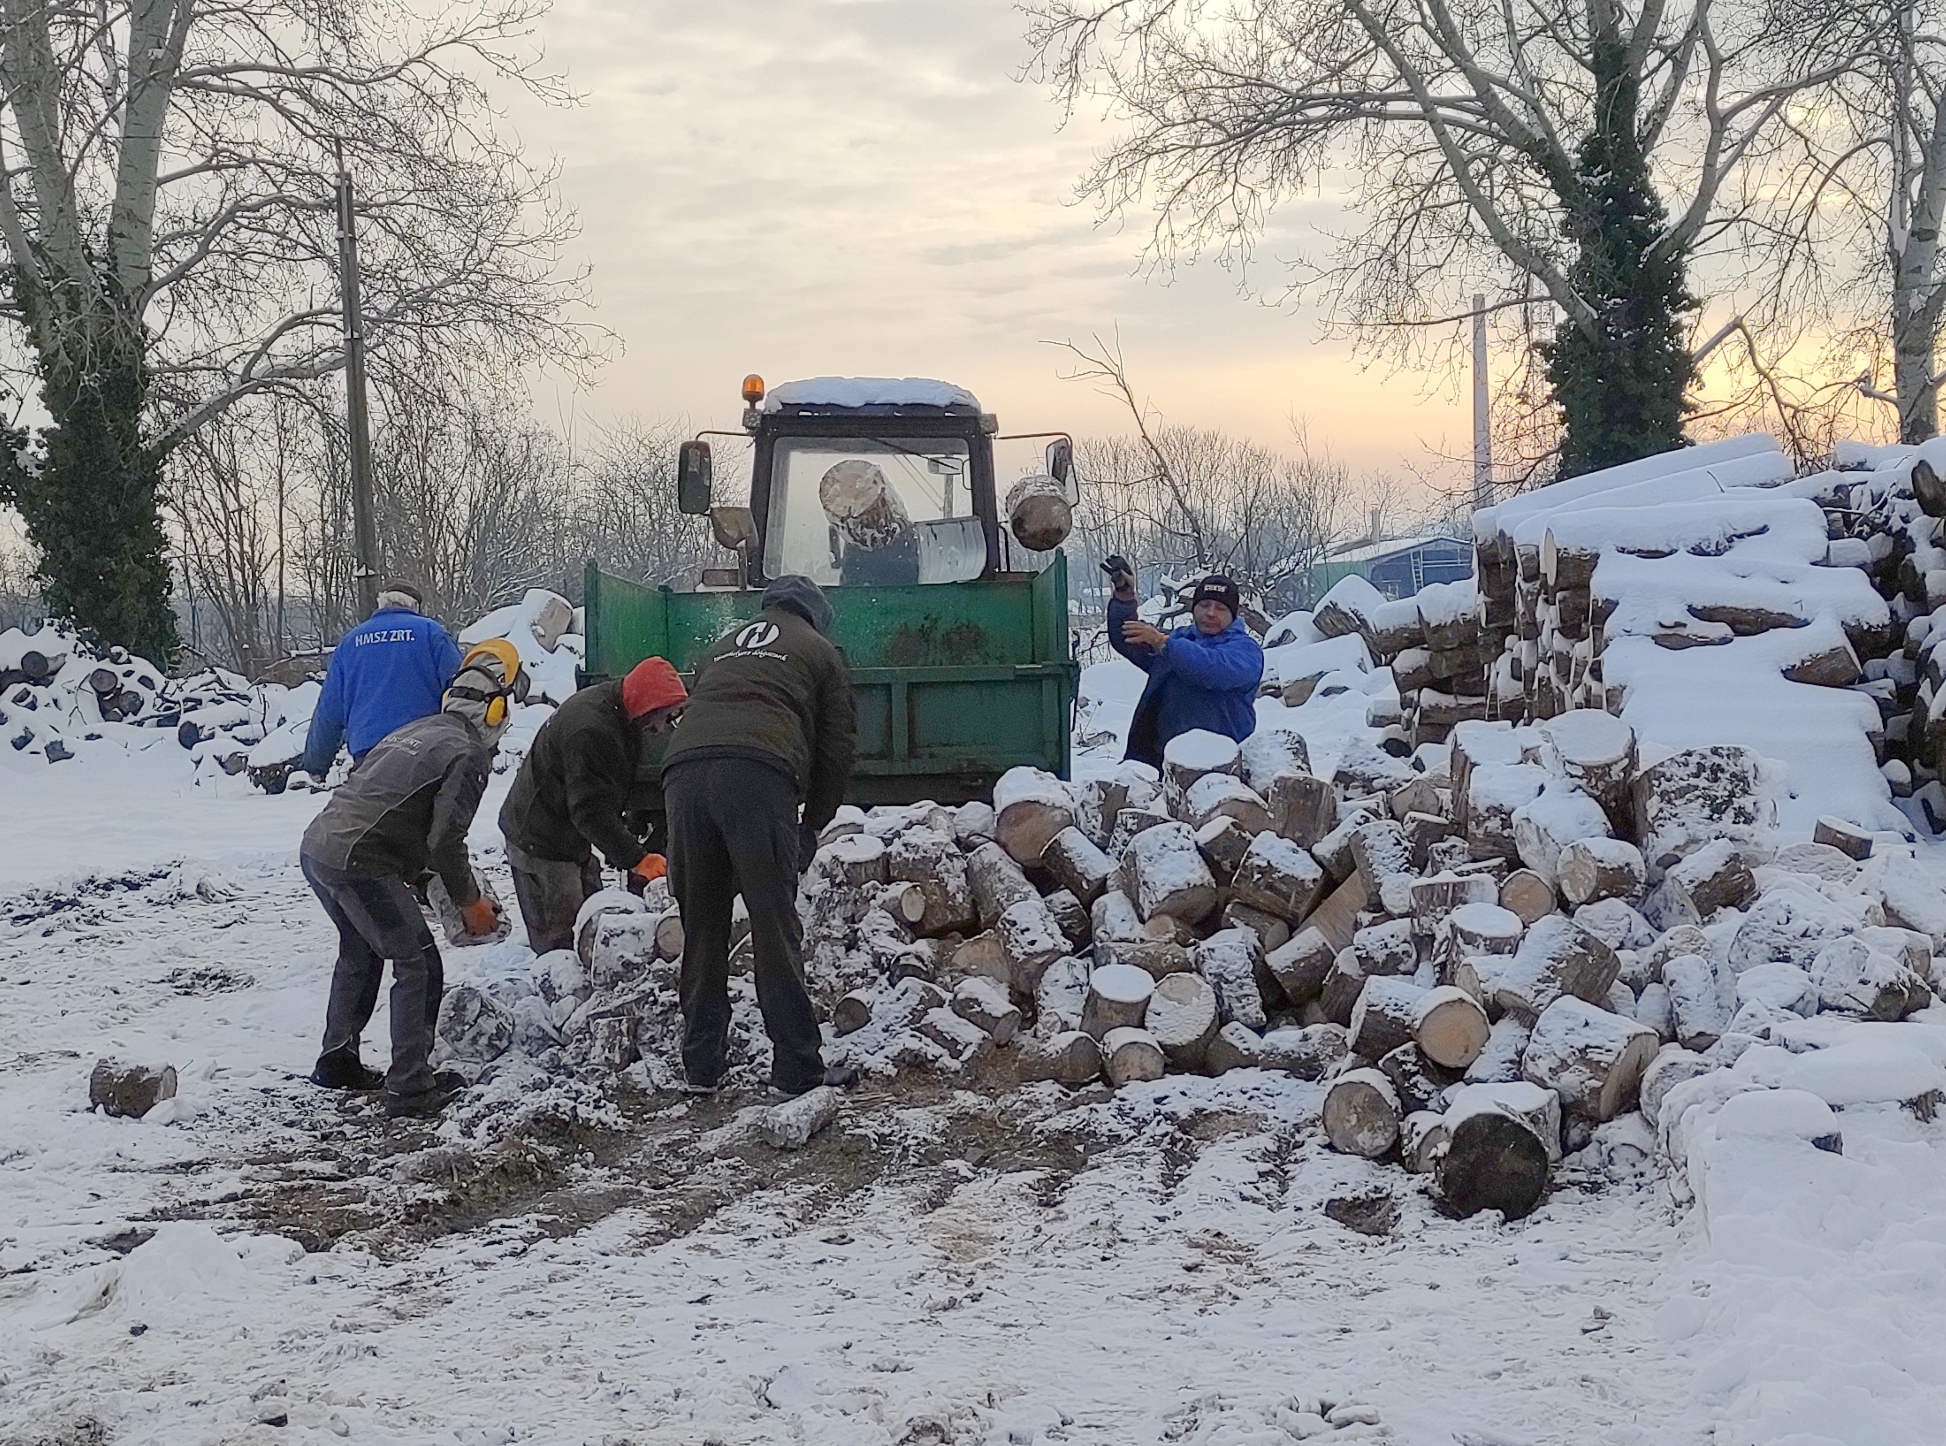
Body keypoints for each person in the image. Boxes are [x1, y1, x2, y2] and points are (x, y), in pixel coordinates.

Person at [299, 644, 524, 1117]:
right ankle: (410, 1086)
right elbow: (445, 842)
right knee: (418, 962)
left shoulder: (419, 729)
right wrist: (469, 901)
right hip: (359, 858)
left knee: (360, 952)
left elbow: (401, 814)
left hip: (321, 845)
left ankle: (337, 1060)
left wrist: (423, 880)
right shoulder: (467, 754)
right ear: (495, 714)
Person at [659, 575, 857, 1096]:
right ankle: (797, 1069)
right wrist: (812, 823)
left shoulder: (722, 646)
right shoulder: (820, 651)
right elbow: (836, 750)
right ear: (816, 615)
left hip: (682, 773)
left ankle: (702, 1066)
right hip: (757, 771)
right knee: (773, 923)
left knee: (701, 924)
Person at [498, 656, 689, 955]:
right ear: (647, 706)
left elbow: (606, 785)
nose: (663, 728)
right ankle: (561, 994)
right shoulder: (591, 730)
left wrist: (628, 830)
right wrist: (637, 858)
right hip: (540, 838)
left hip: (567, 830)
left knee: (596, 924)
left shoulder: (619, 711)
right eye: (664, 718)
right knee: (565, 942)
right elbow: (589, 811)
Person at [1105, 560, 1265, 770]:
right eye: (1204, 605)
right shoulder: (1178, 640)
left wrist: (1163, 643)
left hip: (1219, 768)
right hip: (1157, 762)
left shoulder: (1245, 650)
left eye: (1220, 608)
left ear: (1233, 614)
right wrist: (1124, 599)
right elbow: (1127, 637)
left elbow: (1211, 670)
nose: (1210, 613)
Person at [301, 582, 463, 777]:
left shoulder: (351, 642)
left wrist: (315, 766)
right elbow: (461, 690)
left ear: (381, 604)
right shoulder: (432, 633)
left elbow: (329, 711)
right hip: (423, 751)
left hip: (368, 759)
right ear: (416, 607)